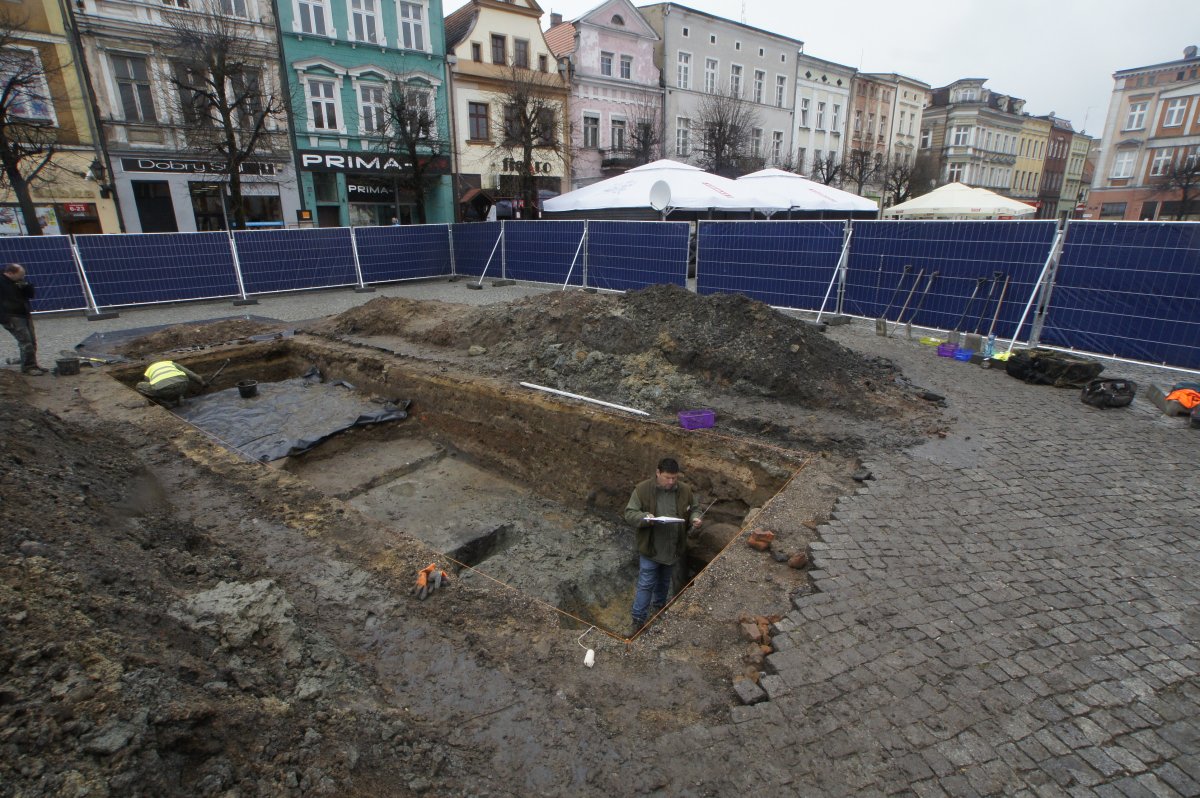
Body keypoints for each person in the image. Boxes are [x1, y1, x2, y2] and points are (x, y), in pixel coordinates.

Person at [624, 457, 702, 635]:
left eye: (674, 478)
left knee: (665, 581)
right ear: (658, 473)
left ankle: (659, 609)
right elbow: (629, 514)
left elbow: (695, 508)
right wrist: (645, 518)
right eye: (667, 477)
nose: (671, 482)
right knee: (646, 584)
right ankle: (638, 621)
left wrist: (695, 518)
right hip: (651, 548)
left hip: (673, 549)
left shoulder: (684, 490)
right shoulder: (642, 490)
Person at [0, 263, 46, 375]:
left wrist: (27, 287)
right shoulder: (2, 283)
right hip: (11, 316)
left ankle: (32, 364)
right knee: (26, 342)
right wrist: (4, 318)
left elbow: (30, 295)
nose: (22, 277)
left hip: (24, 313)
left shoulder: (18, 282)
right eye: (20, 275)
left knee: (32, 341)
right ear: (10, 273)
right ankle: (28, 367)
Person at [136, 360, 206, 405]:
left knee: (140, 386)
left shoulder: (148, 371)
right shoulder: (170, 363)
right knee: (177, 385)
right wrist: (202, 382)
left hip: (163, 389)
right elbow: (189, 373)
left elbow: (151, 389)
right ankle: (180, 399)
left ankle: (163, 402)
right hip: (183, 384)